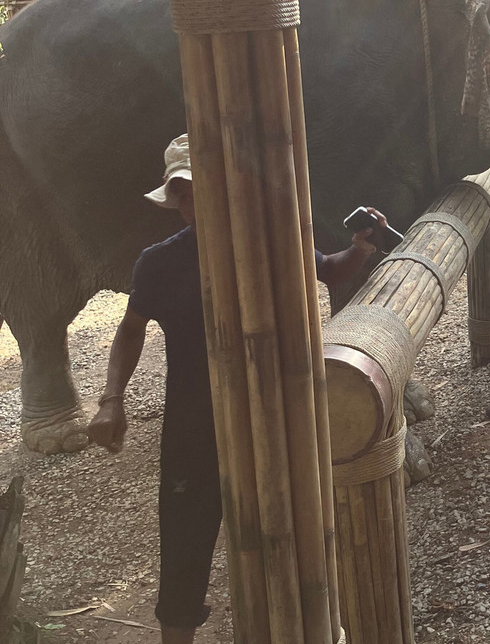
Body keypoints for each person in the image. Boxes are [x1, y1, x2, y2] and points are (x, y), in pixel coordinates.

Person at [88, 134, 387, 644]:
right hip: (192, 425)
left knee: (289, 542)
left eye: (197, 189)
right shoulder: (158, 263)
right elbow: (131, 327)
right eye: (180, 193)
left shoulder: (271, 242)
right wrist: (111, 400)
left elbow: (330, 271)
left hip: (273, 415)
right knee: (183, 549)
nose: (189, 203)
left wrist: (359, 249)